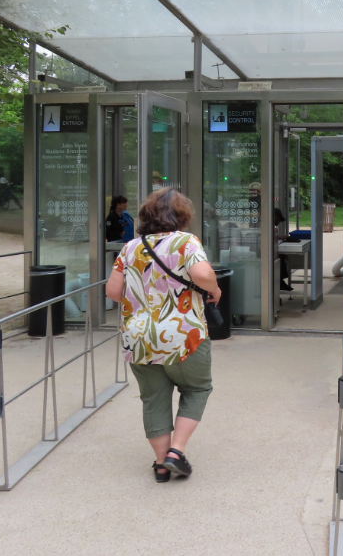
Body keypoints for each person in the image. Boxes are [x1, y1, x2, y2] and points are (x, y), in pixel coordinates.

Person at [105, 188, 221, 483]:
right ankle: (175, 452)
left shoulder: (129, 248)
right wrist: (215, 290)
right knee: (196, 389)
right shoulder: (185, 242)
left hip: (139, 337)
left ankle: (160, 463)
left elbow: (114, 292)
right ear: (182, 215)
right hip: (184, 335)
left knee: (154, 398)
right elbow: (203, 275)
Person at [274, 207, 293, 292]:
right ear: (275, 216)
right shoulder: (268, 227)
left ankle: (281, 281)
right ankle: (280, 281)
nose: (278, 222)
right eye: (279, 219)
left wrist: (279, 237)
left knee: (282, 256)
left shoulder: (273, 228)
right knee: (280, 258)